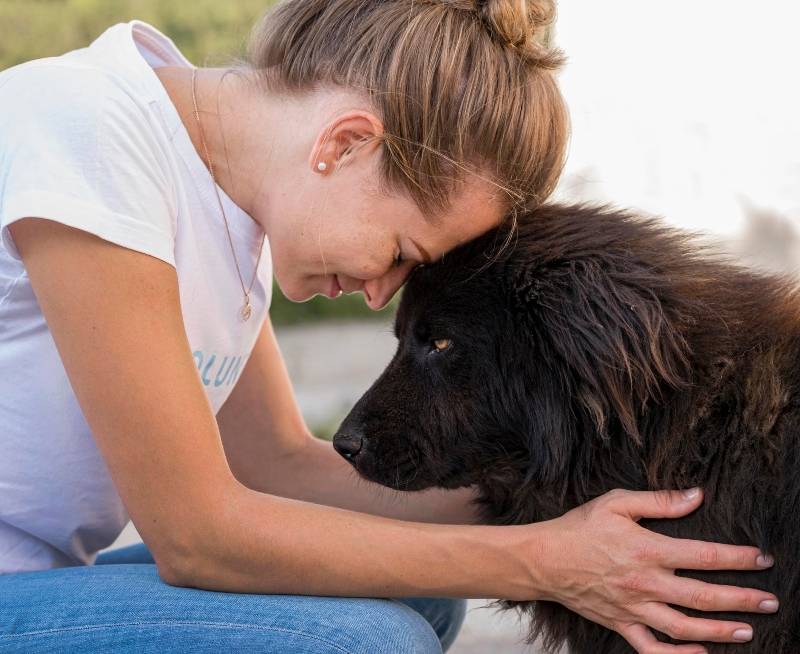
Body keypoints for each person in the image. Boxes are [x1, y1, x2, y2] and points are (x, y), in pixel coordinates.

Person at [0, 2, 779, 653]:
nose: (380, 295)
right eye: (402, 251)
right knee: (360, 640)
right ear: (345, 143)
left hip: (34, 580)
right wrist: (542, 560)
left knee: (426, 595)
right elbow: (197, 534)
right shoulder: (92, 132)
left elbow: (277, 466)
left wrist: (600, 521)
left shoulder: (223, 208)